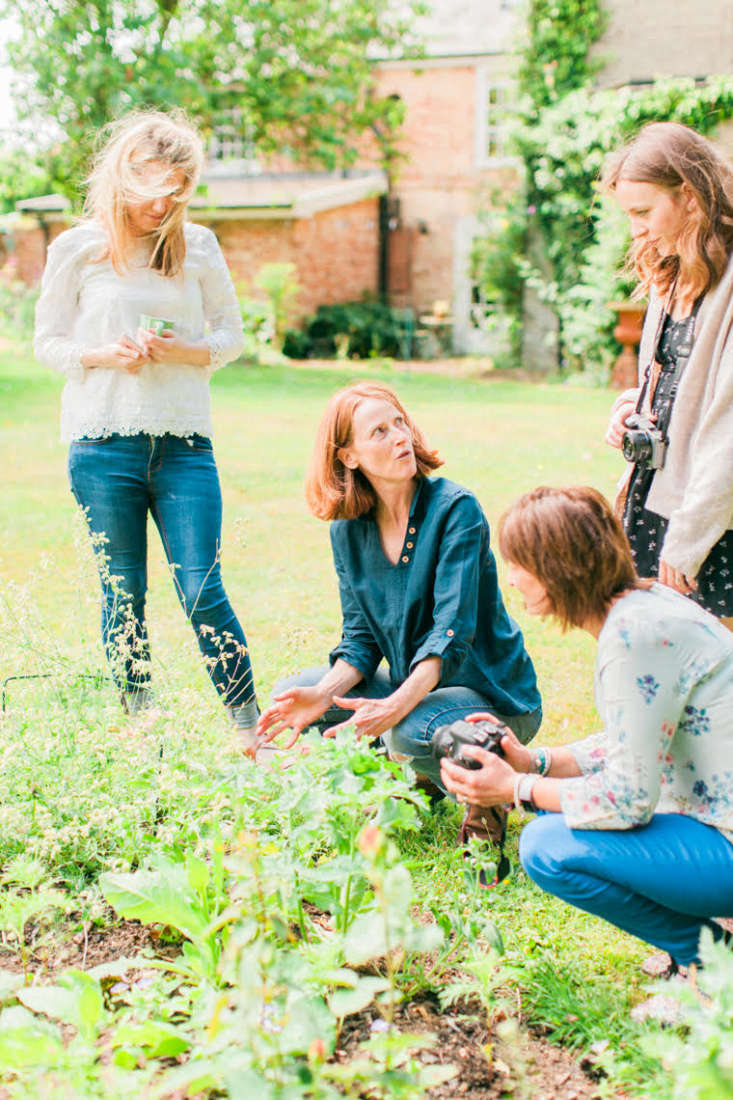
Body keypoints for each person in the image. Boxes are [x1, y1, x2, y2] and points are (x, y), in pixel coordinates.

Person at [34, 110, 260, 739]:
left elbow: (229, 337)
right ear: (121, 178)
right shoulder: (76, 248)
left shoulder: (199, 246)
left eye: (175, 194)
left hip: (185, 444)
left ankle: (250, 731)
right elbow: (47, 343)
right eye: (150, 192)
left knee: (202, 592)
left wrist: (180, 350)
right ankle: (143, 731)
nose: (161, 207)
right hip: (102, 444)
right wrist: (104, 355)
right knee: (123, 597)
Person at [441, 486, 733, 970]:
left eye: (518, 564)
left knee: (549, 847)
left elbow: (626, 801)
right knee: (558, 814)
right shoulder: (645, 603)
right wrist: (537, 762)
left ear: (558, 569)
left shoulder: (633, 637)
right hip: (711, 812)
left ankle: (710, 963)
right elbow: (638, 740)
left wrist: (515, 787)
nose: (511, 580)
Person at [256, 381, 541, 843]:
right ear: (348, 456)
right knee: (297, 692)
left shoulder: (456, 510)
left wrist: (391, 708)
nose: (400, 438)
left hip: (492, 696)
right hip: (423, 689)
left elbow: (451, 634)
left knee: (406, 730)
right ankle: (423, 781)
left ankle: (486, 791)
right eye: (379, 432)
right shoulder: (348, 530)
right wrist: (324, 694)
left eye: (400, 423)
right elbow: (361, 638)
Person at [603, 121, 733, 626]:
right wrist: (633, 409)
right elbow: (682, 389)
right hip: (656, 499)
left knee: (716, 684)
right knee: (660, 673)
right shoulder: (670, 269)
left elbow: (726, 431)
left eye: (643, 211)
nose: (635, 229)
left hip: (712, 517)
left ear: (691, 199)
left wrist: (688, 540)